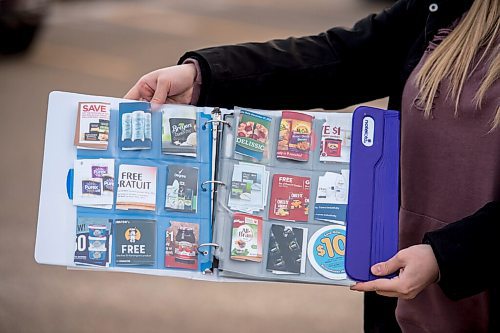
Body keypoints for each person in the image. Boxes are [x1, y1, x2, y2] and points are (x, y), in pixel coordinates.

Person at [124, 0, 499, 331]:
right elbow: (340, 57)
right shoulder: (444, 7)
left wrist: (447, 255)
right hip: (412, 301)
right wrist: (203, 78)